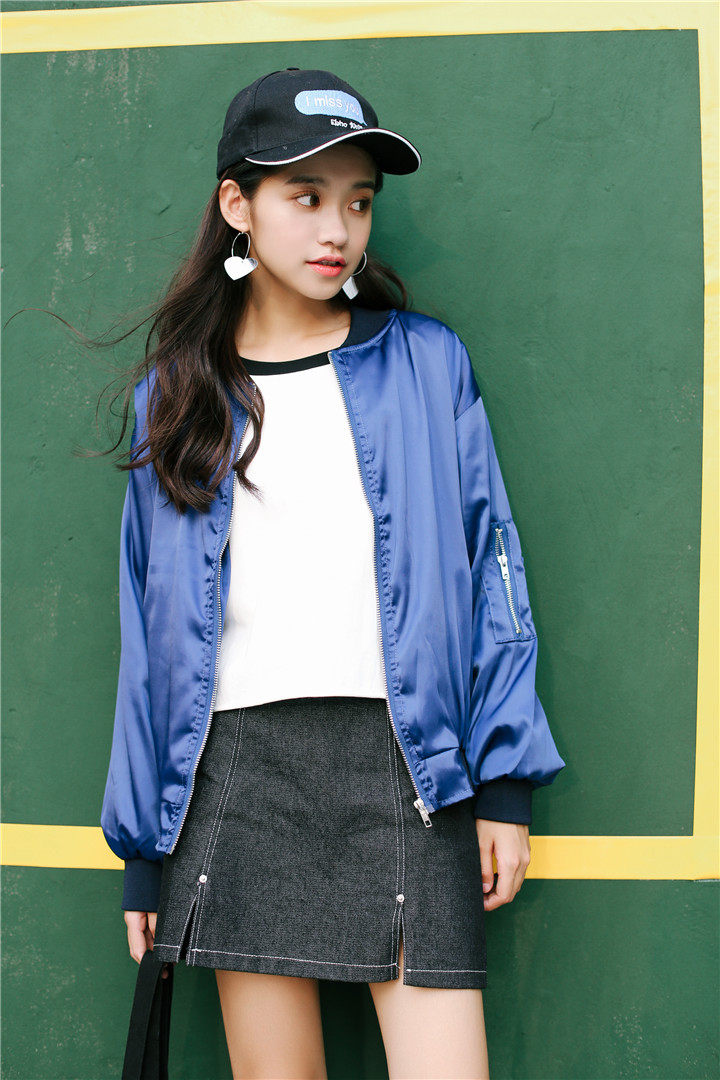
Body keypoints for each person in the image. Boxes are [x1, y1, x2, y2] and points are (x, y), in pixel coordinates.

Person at [99, 67, 566, 1080]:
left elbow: (493, 571)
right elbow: (151, 631)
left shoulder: (427, 364)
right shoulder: (176, 398)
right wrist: (143, 849)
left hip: (412, 769)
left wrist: (505, 787)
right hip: (237, 779)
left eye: (358, 202)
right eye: (306, 197)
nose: (337, 229)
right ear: (238, 205)